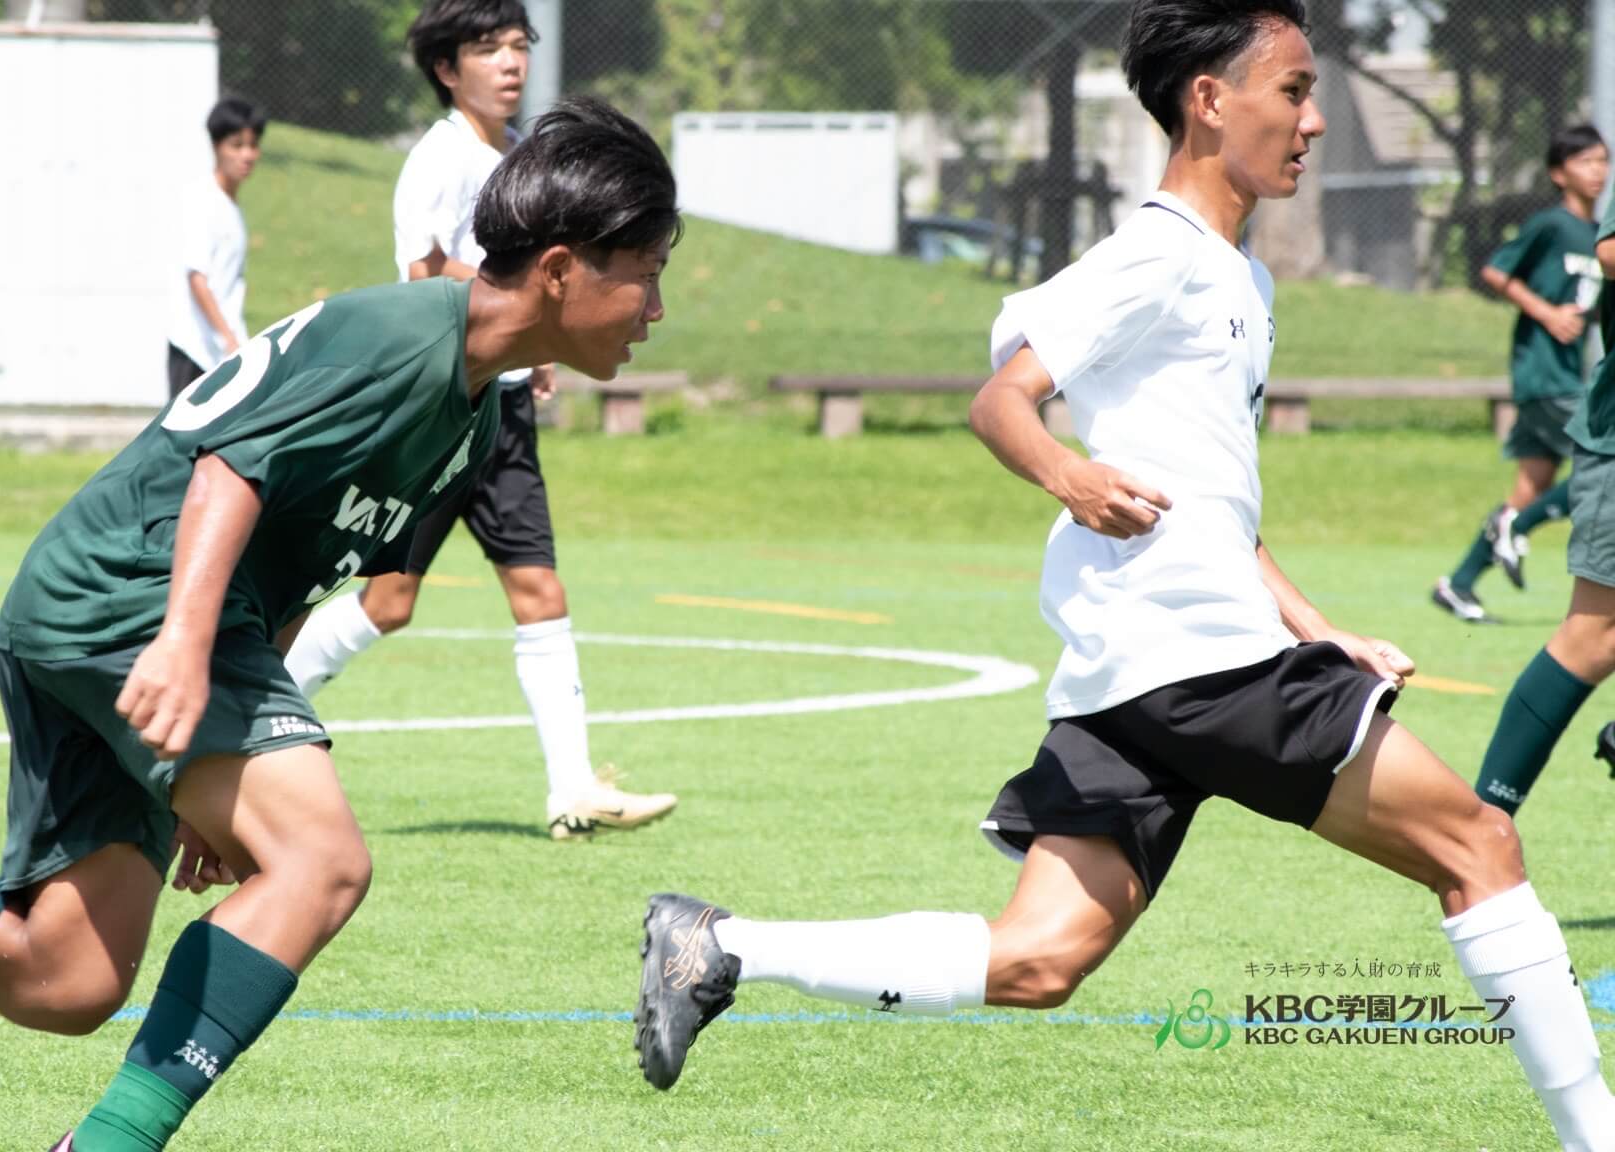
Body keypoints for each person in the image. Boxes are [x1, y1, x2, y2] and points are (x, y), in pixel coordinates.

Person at [631, 5, 1615, 1146]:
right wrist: (1070, 476)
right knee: (1478, 845)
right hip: (1198, 660)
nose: (1314, 121)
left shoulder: (1240, 277)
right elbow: (1001, 399)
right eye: (1293, 92)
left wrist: (1315, 626)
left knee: (1038, 959)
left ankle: (720, 945)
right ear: (1209, 99)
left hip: (1140, 671)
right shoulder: (1160, 252)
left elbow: (1213, 505)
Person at [0, 97, 678, 1152]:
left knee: (64, 979)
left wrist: (240, 751)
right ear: (558, 269)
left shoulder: (472, 412)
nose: (656, 309)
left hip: (104, 601)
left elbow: (304, 559)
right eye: (646, 272)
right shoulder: (401, 340)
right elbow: (228, 470)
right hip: (136, 594)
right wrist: (182, 645)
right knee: (322, 864)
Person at [283, 0, 677, 840]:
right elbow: (424, 271)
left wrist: (540, 344)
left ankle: (573, 791)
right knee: (388, 601)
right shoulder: (442, 156)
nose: (510, 62)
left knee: (539, 589)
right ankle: (254, 715)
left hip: (504, 411)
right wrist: (531, 310)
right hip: (443, 408)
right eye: (488, 48)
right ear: (445, 68)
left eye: (519, 46)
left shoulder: (516, 157)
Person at [1432, 125, 1609, 621]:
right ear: (1558, 173)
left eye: (1603, 160)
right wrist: (1547, 313)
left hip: (1565, 373)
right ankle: (1518, 527)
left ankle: (1458, 584)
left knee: (1531, 488)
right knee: (1602, 467)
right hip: (1543, 372)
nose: (1598, 170)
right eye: (1585, 161)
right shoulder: (1550, 225)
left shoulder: (1599, 235)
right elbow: (1495, 272)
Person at [1480, 190, 1615, 816]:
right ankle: (1482, 827)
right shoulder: (1552, 226)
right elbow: (1609, 251)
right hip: (1593, 419)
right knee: (1596, 635)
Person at [165, 97, 264, 400]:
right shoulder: (201, 200)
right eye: (237, 145)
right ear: (216, 147)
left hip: (223, 352)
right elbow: (197, 278)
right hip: (196, 349)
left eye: (253, 145)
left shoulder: (231, 207)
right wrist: (227, 338)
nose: (247, 155)